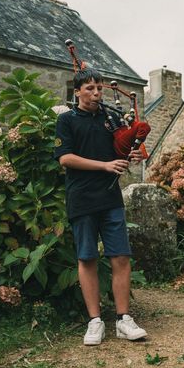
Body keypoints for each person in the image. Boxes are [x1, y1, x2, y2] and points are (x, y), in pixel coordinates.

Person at [54, 67, 147, 345]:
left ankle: (123, 320)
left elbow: (123, 150)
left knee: (120, 256)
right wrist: (105, 165)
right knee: (87, 258)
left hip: (110, 199)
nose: (96, 93)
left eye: (99, 89)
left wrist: (133, 155)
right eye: (90, 89)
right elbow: (65, 158)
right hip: (81, 197)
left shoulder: (113, 118)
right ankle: (95, 322)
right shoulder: (67, 120)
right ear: (78, 91)